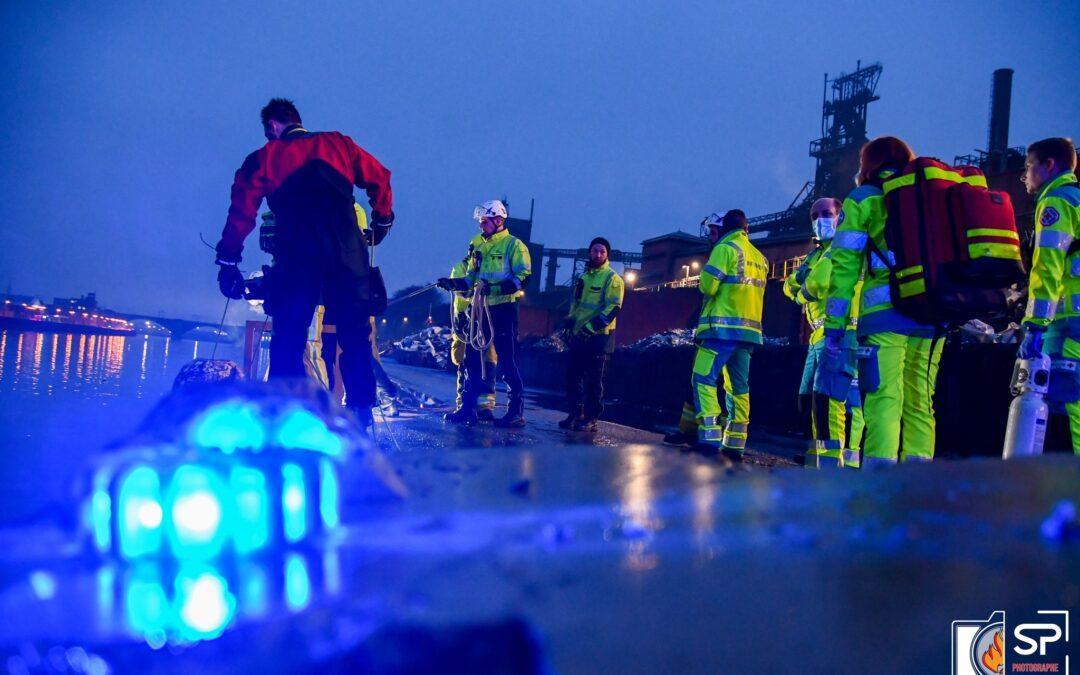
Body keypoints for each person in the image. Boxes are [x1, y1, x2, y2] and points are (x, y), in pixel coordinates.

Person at [215, 98, 394, 429]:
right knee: (355, 334)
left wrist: (228, 259)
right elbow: (379, 177)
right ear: (297, 120)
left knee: (290, 332)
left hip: (297, 251)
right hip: (347, 248)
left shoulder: (263, 158)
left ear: (272, 127)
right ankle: (361, 416)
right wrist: (383, 219)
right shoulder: (338, 143)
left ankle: (286, 416)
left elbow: (242, 212)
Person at [824, 136, 941, 466]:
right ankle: (914, 490)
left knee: (884, 400)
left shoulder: (863, 199)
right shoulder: (926, 195)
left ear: (868, 165)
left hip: (884, 319)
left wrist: (835, 326)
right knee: (920, 403)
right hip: (932, 316)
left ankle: (879, 491)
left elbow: (844, 268)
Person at [782, 198, 865, 467]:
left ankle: (840, 463)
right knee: (810, 400)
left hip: (844, 332)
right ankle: (820, 457)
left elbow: (815, 285)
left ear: (839, 216)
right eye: (815, 215)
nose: (821, 220)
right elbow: (787, 285)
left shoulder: (843, 247)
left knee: (839, 403)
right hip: (819, 335)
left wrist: (801, 291)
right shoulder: (816, 254)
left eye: (827, 213)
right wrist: (801, 284)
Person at [438, 200, 532, 427]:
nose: (481, 226)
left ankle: (516, 411)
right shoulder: (476, 244)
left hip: (503, 310)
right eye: (480, 222)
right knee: (471, 361)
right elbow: (471, 277)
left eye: (485, 222)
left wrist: (496, 289)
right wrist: (454, 284)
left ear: (498, 220)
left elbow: (524, 277)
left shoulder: (514, 246)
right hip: (479, 309)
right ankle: (467, 408)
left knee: (507, 362)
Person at [1018, 137, 1080, 454]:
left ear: (1049, 165)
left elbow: (1048, 267)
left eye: (1029, 166)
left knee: (1067, 408)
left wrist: (1036, 324)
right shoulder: (1077, 198)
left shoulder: (1056, 201)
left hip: (1069, 322)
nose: (1024, 175)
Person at [692, 210, 768, 458]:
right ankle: (735, 443)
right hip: (748, 334)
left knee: (703, 378)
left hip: (720, 331)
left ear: (725, 228)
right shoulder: (760, 258)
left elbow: (707, 285)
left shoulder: (725, 249)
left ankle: (710, 437)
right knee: (739, 387)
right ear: (746, 228)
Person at [558, 237, 625, 432]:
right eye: (595, 251)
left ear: (607, 255)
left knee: (594, 380)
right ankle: (574, 413)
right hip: (579, 335)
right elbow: (576, 304)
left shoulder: (612, 279)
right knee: (573, 376)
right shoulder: (583, 278)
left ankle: (591, 418)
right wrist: (570, 322)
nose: (598, 254)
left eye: (602, 251)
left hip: (599, 337)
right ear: (590, 252)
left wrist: (590, 327)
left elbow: (613, 308)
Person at [447, 242, 498, 421]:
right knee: (464, 364)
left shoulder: (489, 268)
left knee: (489, 363)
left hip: (485, 320)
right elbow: (460, 295)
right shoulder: (461, 269)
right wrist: (461, 316)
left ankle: (484, 407)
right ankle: (464, 403)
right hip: (465, 323)